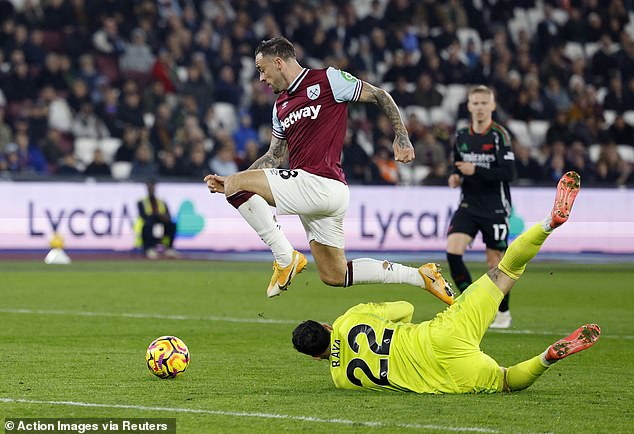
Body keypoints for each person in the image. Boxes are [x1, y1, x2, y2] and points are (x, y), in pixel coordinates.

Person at [293, 172, 601, 394]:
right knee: (505, 269)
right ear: (326, 325)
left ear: (313, 356)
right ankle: (550, 222)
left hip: (447, 372)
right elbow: (405, 307)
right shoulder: (350, 319)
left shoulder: (342, 379)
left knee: (505, 380)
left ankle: (547, 357)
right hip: (442, 332)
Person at [205, 37, 454, 304]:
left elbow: (380, 95)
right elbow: (274, 157)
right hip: (315, 196)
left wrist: (401, 136)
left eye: (262, 69)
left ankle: (284, 257)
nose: (261, 78)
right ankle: (421, 276)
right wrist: (239, 180)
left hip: (321, 183)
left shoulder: (328, 80)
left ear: (278, 62)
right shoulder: (280, 107)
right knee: (335, 274)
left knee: (235, 184)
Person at [446, 85, 516, 328]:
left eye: (484, 103)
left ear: (492, 106)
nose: (479, 108)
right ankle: (470, 302)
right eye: (475, 103)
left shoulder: (499, 136)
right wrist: (455, 177)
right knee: (453, 253)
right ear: (468, 106)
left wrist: (476, 170)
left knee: (496, 263)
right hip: (468, 204)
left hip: (495, 207)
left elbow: (509, 172)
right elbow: (456, 166)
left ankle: (503, 312)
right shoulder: (462, 136)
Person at [136, 179, 179, 259]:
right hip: (149, 225)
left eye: (153, 187)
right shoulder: (141, 202)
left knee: (172, 225)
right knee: (149, 224)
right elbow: (144, 216)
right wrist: (157, 216)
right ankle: (149, 248)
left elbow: (168, 215)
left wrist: (164, 217)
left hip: (161, 224)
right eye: (150, 187)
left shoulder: (161, 202)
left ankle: (169, 248)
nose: (151, 189)